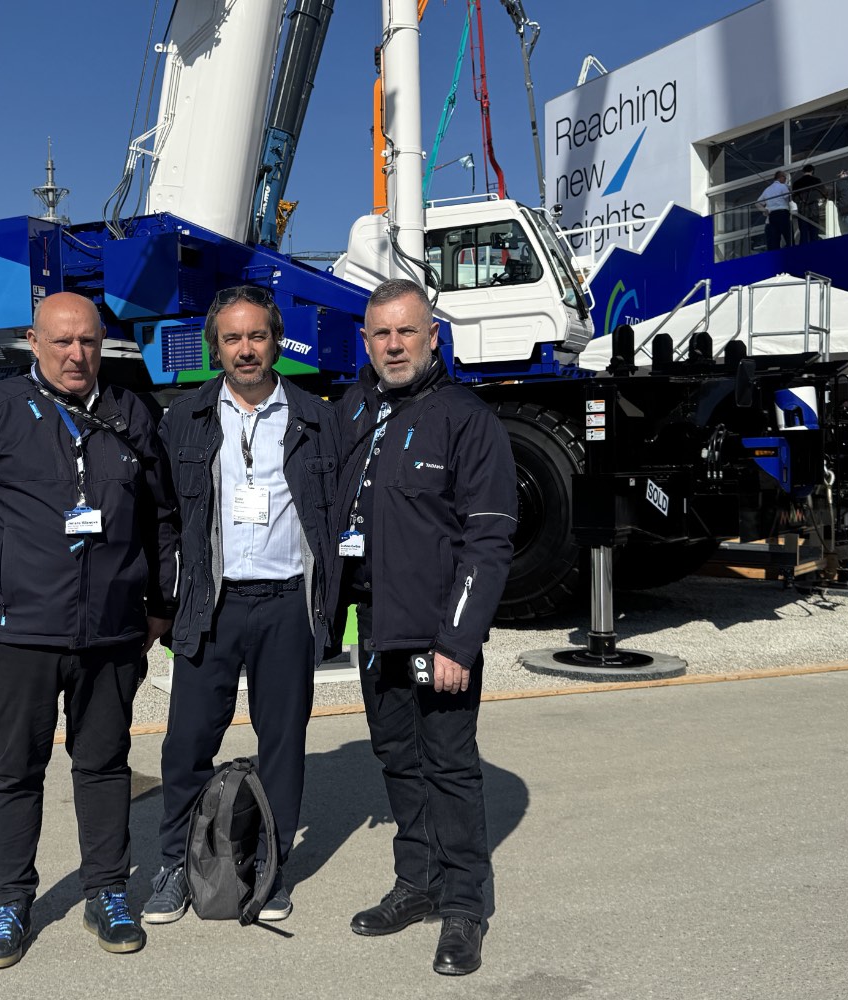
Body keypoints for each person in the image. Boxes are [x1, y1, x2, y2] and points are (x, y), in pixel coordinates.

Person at [0, 291, 178, 970]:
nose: (76, 355)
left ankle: (107, 892)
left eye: (88, 342)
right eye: (62, 342)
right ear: (34, 342)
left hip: (111, 633)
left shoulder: (130, 414)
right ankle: (9, 901)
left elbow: (161, 519)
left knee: (103, 767)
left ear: (102, 345)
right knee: (13, 772)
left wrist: (161, 602)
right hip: (19, 630)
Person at [142, 285, 341, 926]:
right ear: (215, 347)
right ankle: (176, 863)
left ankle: (270, 869)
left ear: (275, 340)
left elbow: (337, 516)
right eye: (233, 338)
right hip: (214, 602)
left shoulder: (315, 417)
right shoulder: (185, 419)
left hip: (286, 603)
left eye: (256, 336)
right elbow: (165, 516)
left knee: (283, 742)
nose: (246, 349)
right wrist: (167, 598)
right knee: (186, 743)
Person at [335, 279, 516, 977]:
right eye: (381, 334)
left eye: (406, 332)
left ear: (432, 336)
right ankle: (418, 884)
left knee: (448, 764)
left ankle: (465, 906)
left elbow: (488, 540)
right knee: (397, 757)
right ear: (366, 341)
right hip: (376, 628)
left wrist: (457, 641)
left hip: (435, 635)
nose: (394, 345)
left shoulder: (466, 420)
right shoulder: (353, 411)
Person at [758, 170, 793, 250]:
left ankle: (776, 254)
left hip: (772, 215)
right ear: (780, 177)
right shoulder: (783, 186)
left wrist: (765, 210)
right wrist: (790, 190)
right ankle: (791, 252)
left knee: (775, 238)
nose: (785, 180)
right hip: (783, 213)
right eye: (785, 177)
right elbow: (788, 197)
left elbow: (758, 202)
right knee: (788, 236)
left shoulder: (767, 189)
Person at [791, 164, 825, 244]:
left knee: (803, 232)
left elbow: (794, 197)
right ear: (812, 171)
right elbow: (823, 193)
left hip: (802, 209)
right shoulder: (816, 180)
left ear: (803, 172)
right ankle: (815, 249)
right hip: (814, 208)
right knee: (814, 231)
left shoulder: (796, 183)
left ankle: (804, 251)